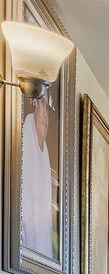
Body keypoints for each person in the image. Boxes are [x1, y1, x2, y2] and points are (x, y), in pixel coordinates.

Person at [19, 85, 60, 261]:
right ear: (33, 106)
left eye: (46, 108)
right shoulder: (22, 154)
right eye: (42, 105)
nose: (45, 117)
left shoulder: (46, 161)